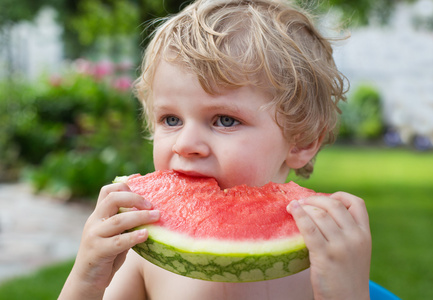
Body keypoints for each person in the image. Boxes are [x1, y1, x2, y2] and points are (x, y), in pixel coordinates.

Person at [59, 0, 372, 299]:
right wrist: (86, 280)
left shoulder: (321, 264)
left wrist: (348, 293)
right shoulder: (143, 257)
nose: (186, 144)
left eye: (225, 120)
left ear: (301, 141)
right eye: (171, 119)